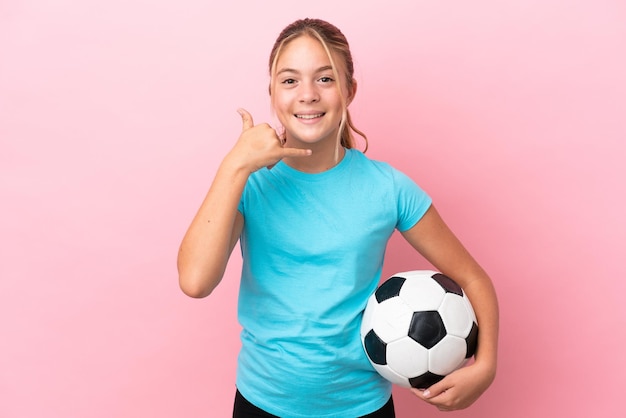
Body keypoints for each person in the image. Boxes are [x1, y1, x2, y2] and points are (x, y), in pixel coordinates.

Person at [177, 18, 499, 418]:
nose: (307, 95)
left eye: (325, 79)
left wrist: (484, 367)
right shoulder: (250, 184)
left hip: (361, 407)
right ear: (273, 94)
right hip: (262, 403)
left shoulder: (388, 188)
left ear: (349, 90)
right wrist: (233, 167)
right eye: (290, 81)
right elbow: (194, 281)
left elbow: (472, 279)